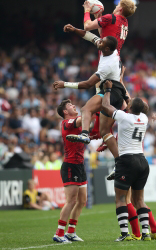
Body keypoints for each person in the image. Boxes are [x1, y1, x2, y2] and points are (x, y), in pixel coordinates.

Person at [53, 31, 129, 159]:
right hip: (117, 94)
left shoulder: (107, 66)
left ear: (106, 48)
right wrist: (74, 29)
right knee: (105, 132)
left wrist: (64, 84)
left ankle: (84, 134)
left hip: (110, 91)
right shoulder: (110, 50)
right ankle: (119, 161)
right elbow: (92, 37)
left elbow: (87, 84)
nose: (99, 41)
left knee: (85, 109)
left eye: (102, 41)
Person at [82, 0, 137, 150]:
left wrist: (87, 11)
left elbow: (87, 27)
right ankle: (106, 129)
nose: (115, 6)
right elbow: (103, 33)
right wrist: (98, 18)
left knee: (103, 93)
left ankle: (104, 130)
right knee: (113, 92)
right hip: (116, 61)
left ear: (120, 8)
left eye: (118, 4)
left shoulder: (111, 17)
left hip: (108, 63)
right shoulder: (124, 22)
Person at [101, 80, 152, 241]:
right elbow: (133, 104)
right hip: (142, 161)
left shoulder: (123, 117)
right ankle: (146, 233)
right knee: (140, 200)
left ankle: (125, 234)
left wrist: (108, 90)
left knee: (120, 198)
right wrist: (122, 84)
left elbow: (106, 107)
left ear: (129, 108)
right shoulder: (144, 118)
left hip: (127, 160)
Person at [53, 99, 87, 243]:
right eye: (70, 105)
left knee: (82, 200)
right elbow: (83, 119)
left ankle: (71, 232)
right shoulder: (67, 123)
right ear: (65, 112)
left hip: (80, 165)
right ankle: (59, 233)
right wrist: (91, 109)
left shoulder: (77, 122)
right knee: (71, 200)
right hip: (70, 165)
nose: (74, 105)